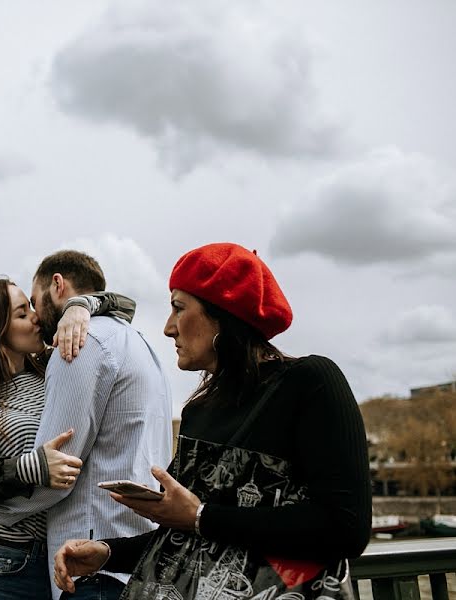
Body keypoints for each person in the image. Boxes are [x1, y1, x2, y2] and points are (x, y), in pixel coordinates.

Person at [53, 243, 372, 600]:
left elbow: (347, 528)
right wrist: (108, 553)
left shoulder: (310, 381)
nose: (168, 328)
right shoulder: (199, 410)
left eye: (178, 308)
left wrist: (201, 515)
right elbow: (186, 533)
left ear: (223, 313)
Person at [0, 278, 135, 600]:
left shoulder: (54, 368)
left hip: (61, 558)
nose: (35, 316)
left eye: (31, 307)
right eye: (21, 313)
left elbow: (125, 305)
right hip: (2, 565)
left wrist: (78, 306)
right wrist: (29, 468)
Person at [0, 250, 173, 600]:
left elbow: (57, 474)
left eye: (35, 303)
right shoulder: (141, 344)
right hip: (137, 559)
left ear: (57, 285)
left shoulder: (78, 345)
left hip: (91, 562)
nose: (37, 317)